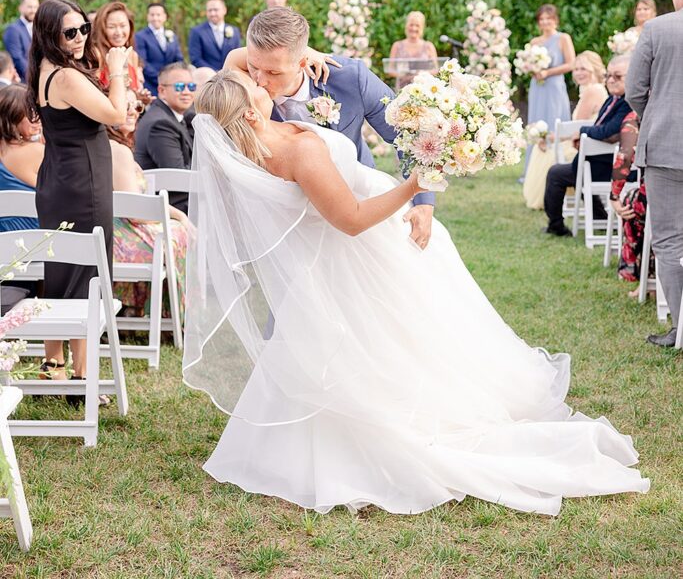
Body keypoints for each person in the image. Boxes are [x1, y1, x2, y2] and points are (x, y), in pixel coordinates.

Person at [182, 70, 649, 516]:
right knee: (399, 342)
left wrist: (307, 58)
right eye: (252, 84)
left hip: (335, 255)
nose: (259, 79)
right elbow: (351, 220)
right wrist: (414, 184)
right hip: (359, 253)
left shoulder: (251, 134)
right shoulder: (296, 152)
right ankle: (391, 435)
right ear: (249, 113)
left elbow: (238, 73)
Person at [225, 8, 435, 247]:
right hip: (287, 220)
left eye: (273, 72)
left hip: (357, 200)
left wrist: (424, 203)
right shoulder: (246, 91)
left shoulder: (350, 78)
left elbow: (407, 135)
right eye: (253, 66)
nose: (260, 80)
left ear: (301, 63)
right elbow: (233, 59)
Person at [26, 0, 128, 385]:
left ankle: (54, 365)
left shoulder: (46, 69)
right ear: (50, 35)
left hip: (61, 179)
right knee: (87, 273)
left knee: (62, 270)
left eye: (84, 28)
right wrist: (116, 70)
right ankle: (83, 374)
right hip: (82, 184)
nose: (80, 37)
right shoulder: (66, 77)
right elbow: (116, 115)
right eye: (70, 32)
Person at [626, 0, 683, 348]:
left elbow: (634, 89)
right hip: (665, 145)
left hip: (665, 146)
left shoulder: (657, 29)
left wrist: (657, 115)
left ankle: (682, 327)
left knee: (670, 240)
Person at [107, 90, 190, 317]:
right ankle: (171, 317)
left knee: (179, 230)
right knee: (178, 234)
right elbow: (136, 212)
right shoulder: (118, 151)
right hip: (117, 238)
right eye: (125, 106)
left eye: (137, 107)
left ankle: (146, 313)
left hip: (115, 230)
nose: (133, 112)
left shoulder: (117, 147)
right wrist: (179, 216)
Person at [543, 56, 631, 237]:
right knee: (577, 173)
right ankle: (601, 218)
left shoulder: (628, 102)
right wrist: (585, 138)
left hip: (611, 166)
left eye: (617, 76)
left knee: (556, 174)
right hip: (597, 162)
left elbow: (610, 130)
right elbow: (600, 127)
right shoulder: (613, 98)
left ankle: (556, 226)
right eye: (608, 75)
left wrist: (583, 132)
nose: (611, 80)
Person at [523, 52, 607, 210]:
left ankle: (546, 201)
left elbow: (576, 128)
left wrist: (549, 138)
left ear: (594, 69)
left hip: (583, 148)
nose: (578, 73)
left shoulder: (592, 91)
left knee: (544, 151)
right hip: (584, 143)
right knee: (544, 147)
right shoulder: (594, 90)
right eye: (576, 69)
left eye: (583, 68)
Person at [134, 62, 195, 214]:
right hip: (171, 206)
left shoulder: (178, 117)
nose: (186, 92)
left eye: (191, 86)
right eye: (179, 87)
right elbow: (178, 177)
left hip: (182, 199)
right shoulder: (160, 124)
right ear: (161, 91)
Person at [522, 5, 574, 179]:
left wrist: (548, 72)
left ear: (555, 20)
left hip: (554, 86)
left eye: (548, 18)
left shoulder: (563, 38)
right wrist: (532, 69)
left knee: (554, 120)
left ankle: (555, 166)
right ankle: (533, 170)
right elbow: (528, 64)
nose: (545, 22)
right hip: (538, 87)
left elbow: (571, 64)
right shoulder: (534, 42)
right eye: (542, 19)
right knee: (536, 122)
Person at [608, 112, 649, 287]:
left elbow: (624, 157)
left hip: (660, 195)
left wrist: (614, 196)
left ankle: (635, 271)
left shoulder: (637, 116)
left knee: (633, 204)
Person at [0, 84, 42, 232]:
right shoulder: (37, 152)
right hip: (36, 235)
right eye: (31, 113)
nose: (37, 119)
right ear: (13, 117)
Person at [93, 1, 146, 95]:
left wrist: (139, 97)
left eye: (123, 25)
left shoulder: (132, 55)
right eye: (111, 27)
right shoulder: (97, 55)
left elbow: (132, 90)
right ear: (101, 29)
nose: (118, 32)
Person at [134, 3, 183, 96]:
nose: (155, 18)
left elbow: (179, 59)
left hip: (172, 85)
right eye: (152, 15)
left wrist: (174, 77)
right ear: (147, 17)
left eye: (158, 15)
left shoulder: (171, 35)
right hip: (150, 85)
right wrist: (161, 79)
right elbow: (142, 62)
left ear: (165, 17)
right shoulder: (140, 36)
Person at [386, 11, 439, 89]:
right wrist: (404, 74)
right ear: (406, 26)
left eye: (417, 25)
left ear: (422, 27)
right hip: (402, 90)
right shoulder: (397, 46)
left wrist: (421, 75)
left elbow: (436, 70)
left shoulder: (429, 46)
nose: (414, 28)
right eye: (411, 25)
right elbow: (390, 70)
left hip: (424, 89)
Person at [188, 0, 241, 72]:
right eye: (209, 10)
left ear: (224, 10)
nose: (212, 13)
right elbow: (196, 59)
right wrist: (215, 73)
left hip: (230, 75)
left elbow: (237, 56)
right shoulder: (196, 32)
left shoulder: (234, 31)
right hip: (207, 76)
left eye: (216, 10)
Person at [3, 0, 39, 82]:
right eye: (29, 7)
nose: (33, 10)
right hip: (23, 82)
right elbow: (17, 58)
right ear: (20, 8)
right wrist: (34, 77)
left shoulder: (39, 29)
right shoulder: (13, 30)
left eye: (35, 7)